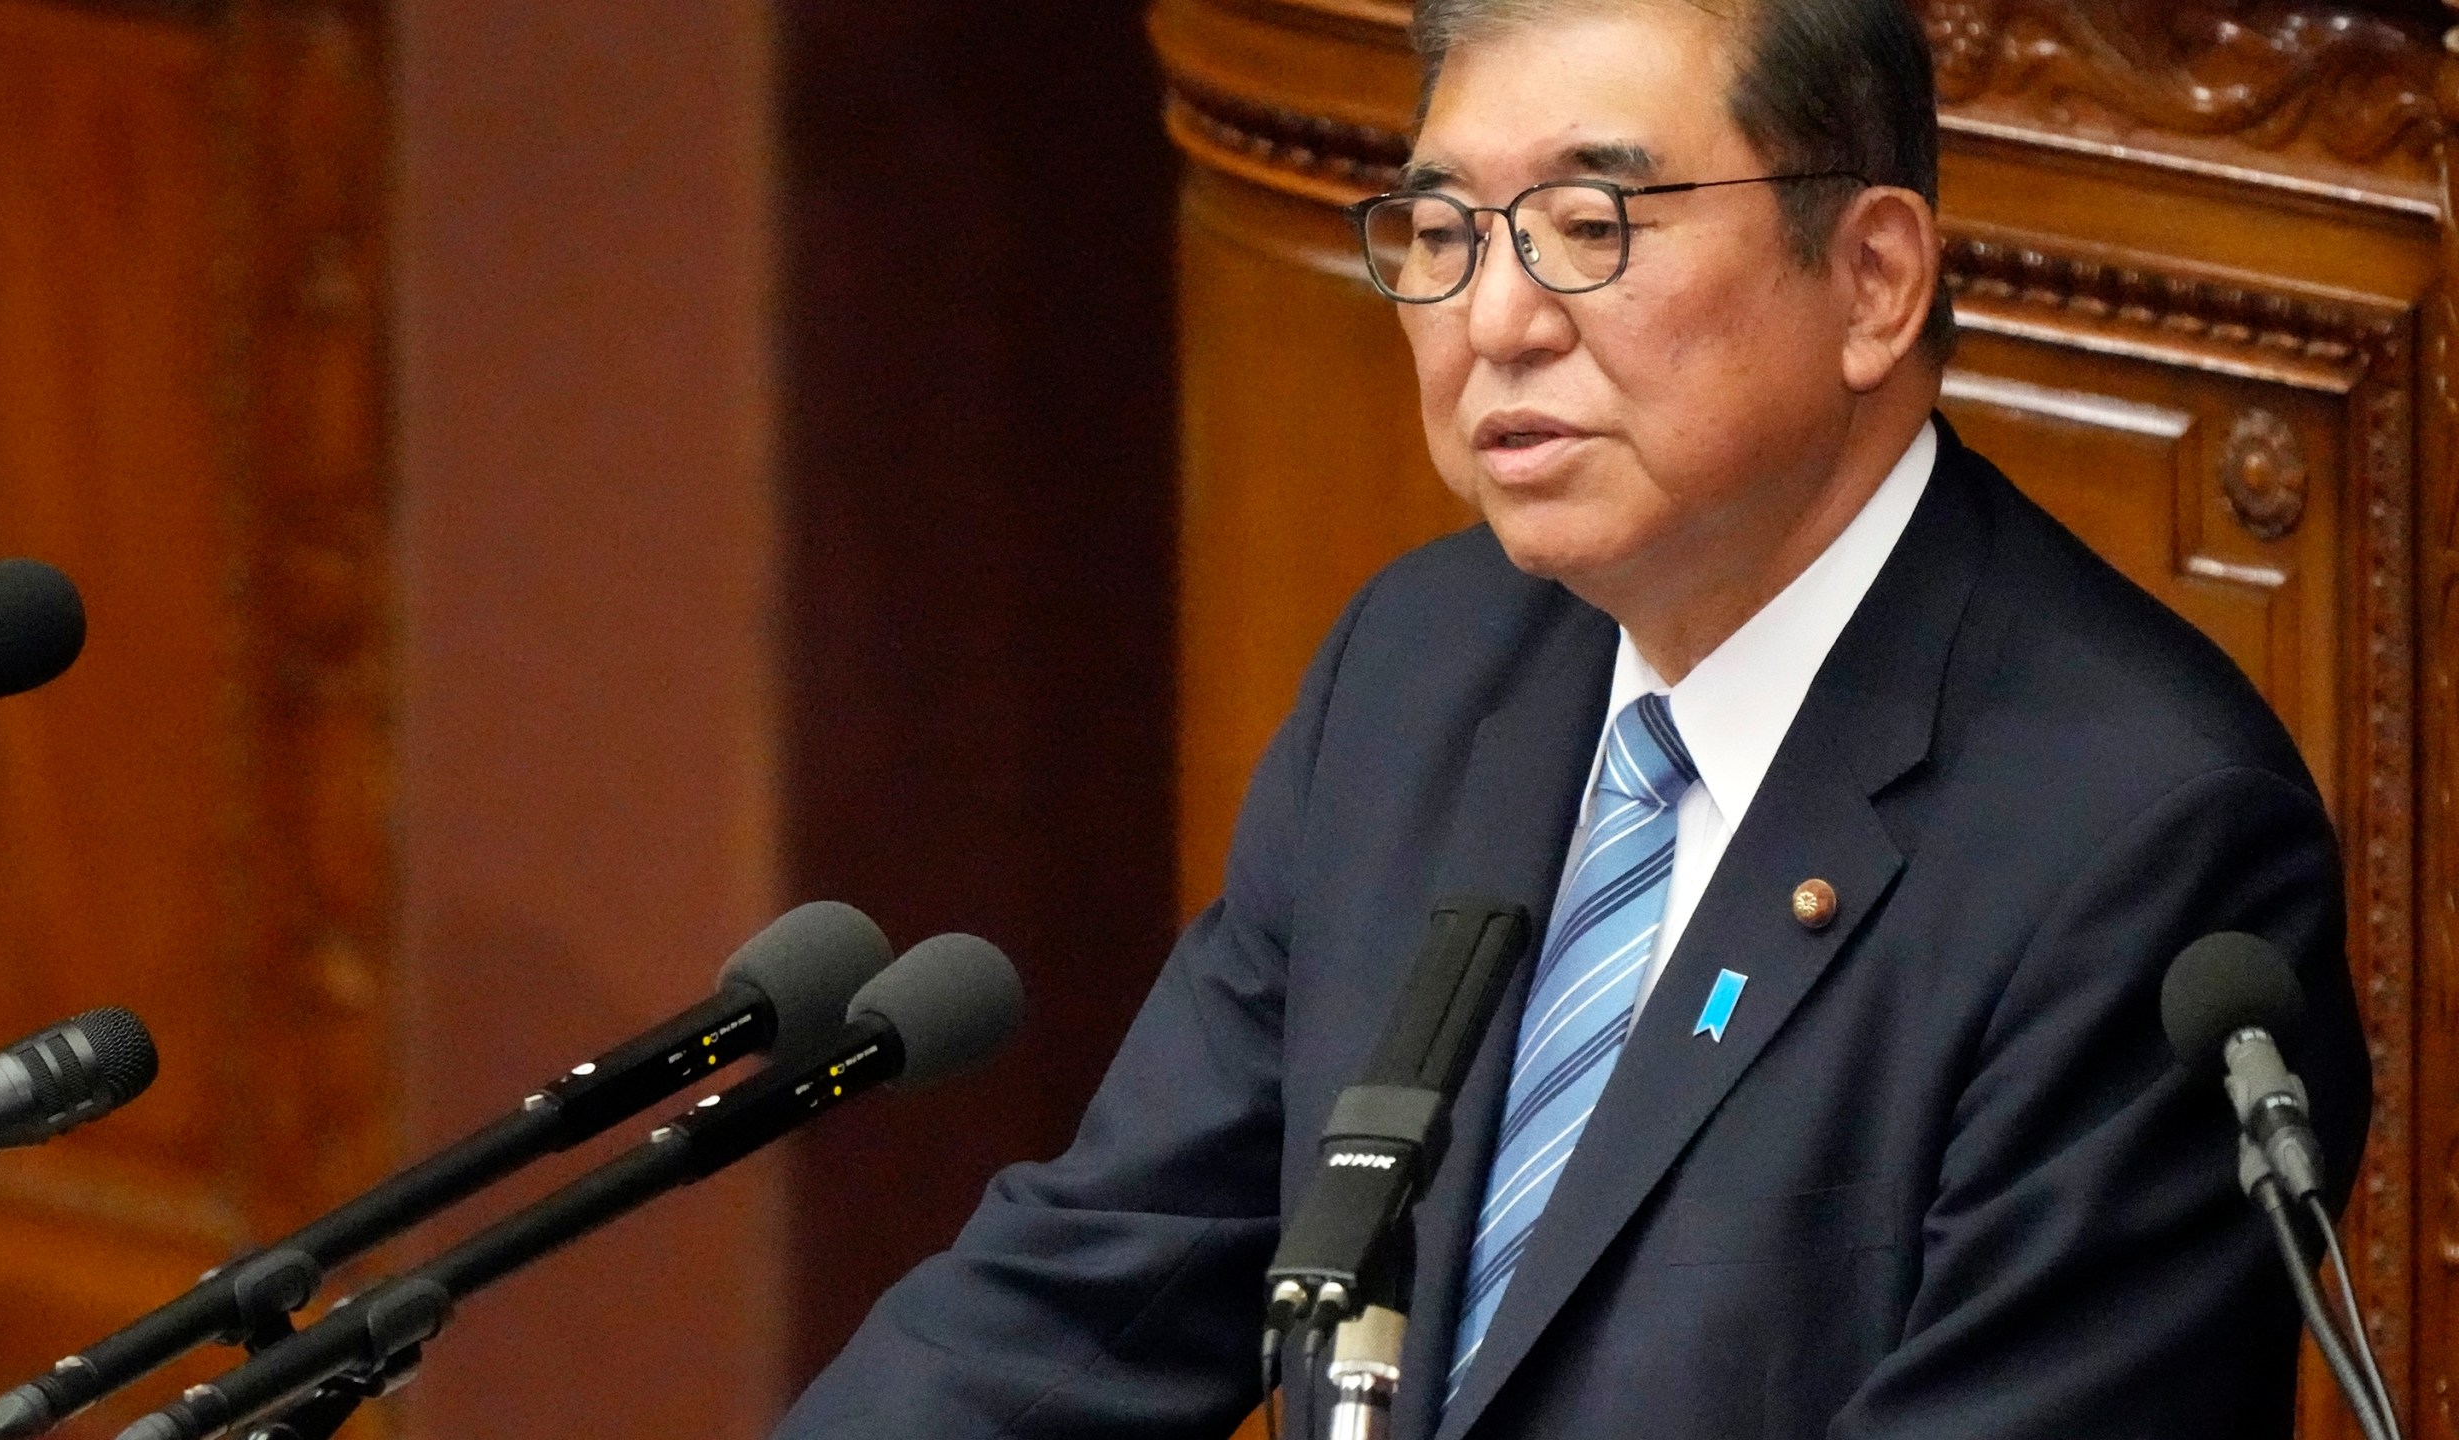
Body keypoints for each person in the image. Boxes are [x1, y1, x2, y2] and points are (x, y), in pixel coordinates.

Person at [773, 0, 2373, 1435]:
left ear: (1874, 279)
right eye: (1444, 230)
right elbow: (1092, 1295)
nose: (1497, 320)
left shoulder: (2143, 846)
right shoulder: (1420, 672)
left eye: (1589, 224)